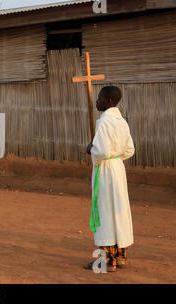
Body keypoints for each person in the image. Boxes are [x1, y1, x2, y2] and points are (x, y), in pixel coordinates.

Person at [84, 86, 135, 272]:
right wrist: (115, 158)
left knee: (105, 211)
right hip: (117, 169)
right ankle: (120, 257)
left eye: (100, 99)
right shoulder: (122, 121)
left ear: (109, 101)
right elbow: (129, 150)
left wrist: (91, 149)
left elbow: (102, 151)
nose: (97, 102)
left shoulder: (104, 121)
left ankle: (107, 261)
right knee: (118, 212)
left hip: (106, 170)